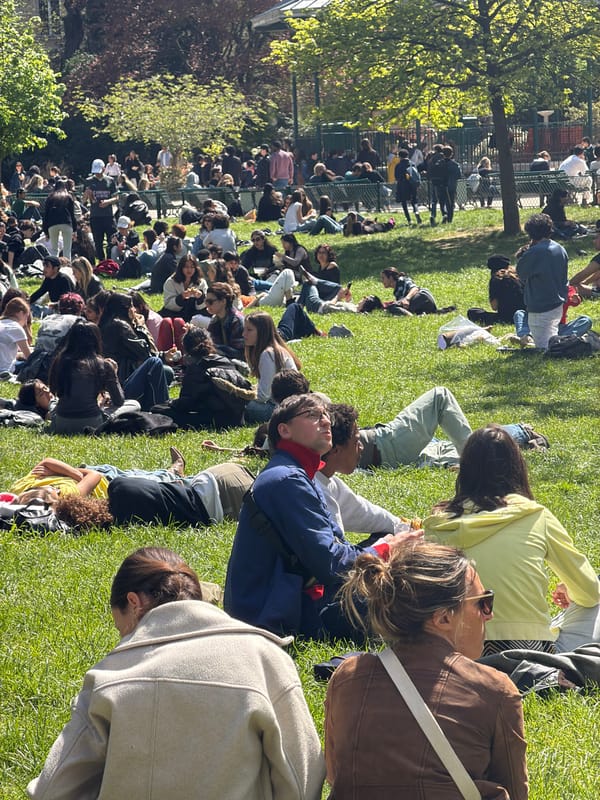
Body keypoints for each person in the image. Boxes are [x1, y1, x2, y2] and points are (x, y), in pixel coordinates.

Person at [27, 547, 325, 800]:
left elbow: (54, 789)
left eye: (121, 628)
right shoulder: (266, 659)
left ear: (133, 602)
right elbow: (303, 776)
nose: (124, 639)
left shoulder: (108, 677)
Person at [324, 541, 528, 800]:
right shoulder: (494, 690)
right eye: (483, 603)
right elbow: (516, 791)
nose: (489, 615)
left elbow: (335, 776)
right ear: (443, 618)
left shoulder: (347, 677)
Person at [224, 394, 411, 640]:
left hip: (283, 598)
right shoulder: (288, 480)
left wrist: (386, 544)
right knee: (410, 594)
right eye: (312, 415)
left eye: (325, 415)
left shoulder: (294, 472)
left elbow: (333, 550)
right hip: (275, 613)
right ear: (285, 430)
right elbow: (332, 564)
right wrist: (387, 548)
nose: (324, 421)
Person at [424, 425, 600, 655]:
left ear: (464, 471)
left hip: (458, 654)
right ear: (517, 467)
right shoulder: (535, 516)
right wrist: (570, 589)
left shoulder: (437, 525)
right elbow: (590, 592)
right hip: (533, 654)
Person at [317, 403, 421, 537]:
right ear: (336, 450)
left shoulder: (329, 481)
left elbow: (365, 513)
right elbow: (337, 554)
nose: (361, 448)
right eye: (356, 442)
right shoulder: (317, 490)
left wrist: (405, 527)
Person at [152, 326, 250, 429]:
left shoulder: (197, 367)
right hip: (238, 418)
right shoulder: (225, 361)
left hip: (216, 419)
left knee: (158, 409)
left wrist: (171, 403)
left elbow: (187, 402)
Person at [47, 320, 127, 434]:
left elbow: (56, 391)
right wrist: (114, 373)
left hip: (61, 422)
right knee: (134, 404)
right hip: (92, 422)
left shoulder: (60, 361)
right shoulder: (103, 365)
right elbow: (119, 401)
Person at [98, 292, 170, 411]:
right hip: (120, 386)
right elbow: (144, 352)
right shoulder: (120, 325)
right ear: (123, 308)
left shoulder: (107, 324)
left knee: (166, 371)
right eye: (131, 306)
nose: (134, 310)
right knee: (155, 362)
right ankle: (162, 408)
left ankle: (152, 405)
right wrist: (140, 326)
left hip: (115, 385)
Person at [516, 213, 568, 348]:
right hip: (558, 303)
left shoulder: (534, 252)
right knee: (552, 335)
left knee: (544, 347)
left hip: (540, 305)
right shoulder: (559, 248)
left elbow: (521, 274)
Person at [243, 312, 301, 423]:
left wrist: (242, 396)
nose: (244, 334)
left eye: (249, 330)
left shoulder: (268, 354)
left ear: (262, 332)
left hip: (283, 409)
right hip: (288, 405)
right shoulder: (269, 351)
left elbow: (263, 396)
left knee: (240, 404)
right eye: (244, 329)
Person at [467, 254, 525, 326]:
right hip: (525, 315)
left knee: (472, 312)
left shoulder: (496, 279)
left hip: (507, 318)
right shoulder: (520, 275)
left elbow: (494, 307)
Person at [83, 159, 119, 260]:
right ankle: (101, 260)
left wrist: (107, 202)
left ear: (104, 169)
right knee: (98, 241)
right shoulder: (89, 181)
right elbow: (84, 200)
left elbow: (116, 197)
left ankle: (110, 259)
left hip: (108, 215)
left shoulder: (110, 180)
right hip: (95, 215)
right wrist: (87, 194)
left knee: (111, 238)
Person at [161, 253, 207, 322]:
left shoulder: (201, 282)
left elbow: (206, 305)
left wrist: (200, 297)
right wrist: (181, 297)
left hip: (194, 313)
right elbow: (168, 304)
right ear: (181, 268)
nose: (189, 270)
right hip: (175, 314)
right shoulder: (171, 282)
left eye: (192, 267)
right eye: (186, 267)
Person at [205, 282, 245, 359]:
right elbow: (212, 342)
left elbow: (240, 354)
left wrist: (214, 348)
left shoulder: (237, 321)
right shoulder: (215, 319)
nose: (207, 305)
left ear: (223, 301)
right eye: (206, 301)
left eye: (210, 302)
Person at [42, 179, 77, 260]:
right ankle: (67, 267)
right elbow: (72, 214)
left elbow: (46, 215)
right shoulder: (68, 196)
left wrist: (46, 231)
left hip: (52, 223)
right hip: (66, 223)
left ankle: (54, 266)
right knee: (67, 249)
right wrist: (75, 230)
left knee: (54, 249)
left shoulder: (50, 197)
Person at [0, 297, 32, 374]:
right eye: (26, 317)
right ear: (21, 313)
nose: (25, 322)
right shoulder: (15, 328)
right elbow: (29, 357)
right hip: (6, 369)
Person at [569, 222, 600, 299]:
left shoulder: (598, 259)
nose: (594, 241)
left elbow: (581, 276)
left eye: (596, 238)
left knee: (573, 287)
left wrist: (567, 286)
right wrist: (586, 283)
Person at [394, 148, 422, 225]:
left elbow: (396, 176)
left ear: (400, 156)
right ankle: (416, 211)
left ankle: (409, 219)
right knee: (414, 200)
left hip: (402, 185)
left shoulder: (398, 165)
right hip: (412, 184)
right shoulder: (412, 164)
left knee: (404, 202)